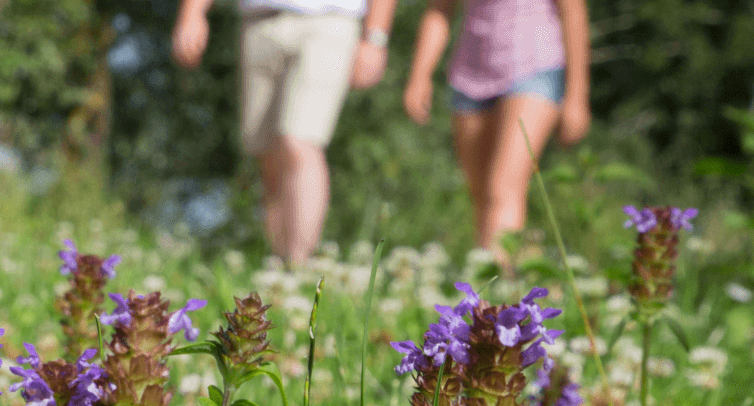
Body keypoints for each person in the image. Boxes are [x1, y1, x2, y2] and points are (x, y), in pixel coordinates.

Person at [174, 0, 398, 265]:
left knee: (299, 142)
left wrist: (375, 36)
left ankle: (300, 265)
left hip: (330, 20)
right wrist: (192, 13)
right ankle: (279, 265)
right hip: (258, 21)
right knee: (267, 154)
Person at [403, 0, 590, 267]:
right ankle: (524, 283)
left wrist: (577, 96)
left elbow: (573, 11)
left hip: (535, 67)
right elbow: (439, 9)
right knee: (481, 197)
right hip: (470, 73)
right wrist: (419, 75)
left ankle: (499, 295)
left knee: (502, 188)